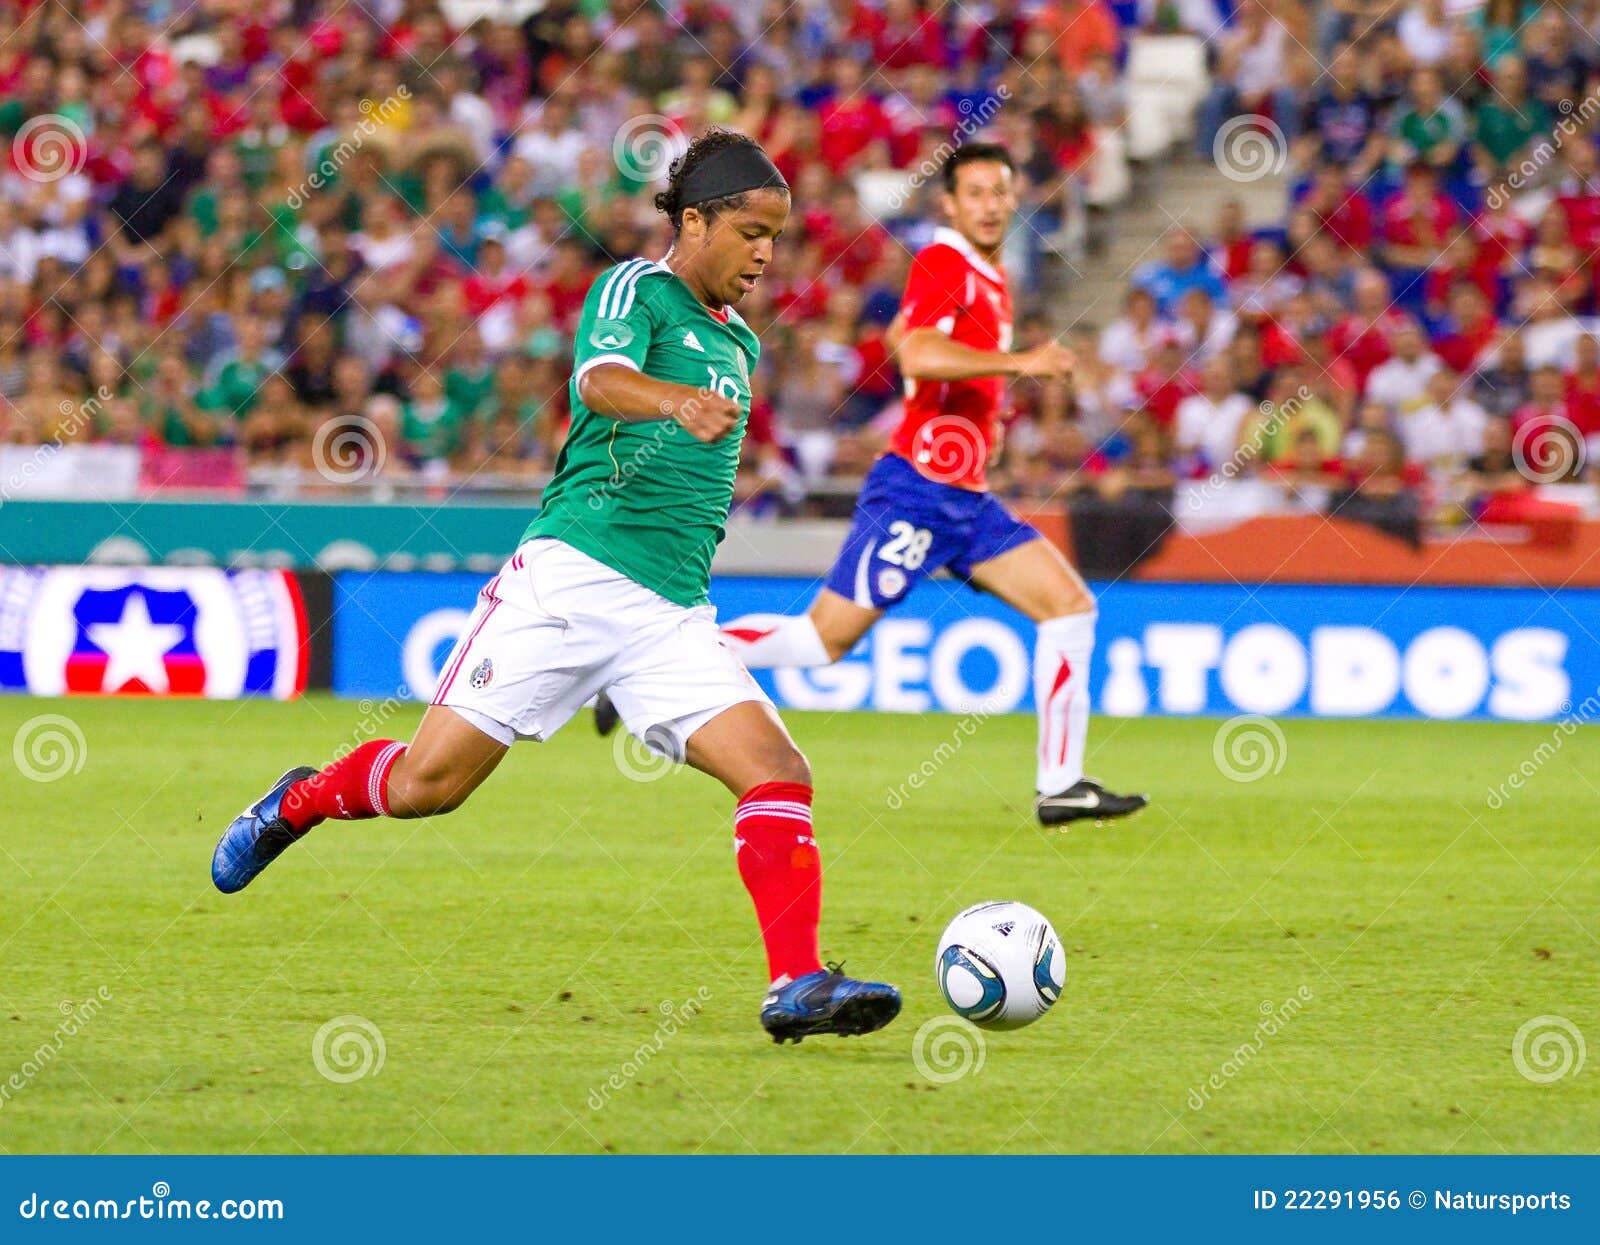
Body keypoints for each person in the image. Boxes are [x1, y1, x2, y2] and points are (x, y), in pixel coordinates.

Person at [210, 130, 901, 1047]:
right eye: (751, 231)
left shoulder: (737, 341)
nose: (767, 254)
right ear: (694, 221)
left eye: (777, 236)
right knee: (429, 785)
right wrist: (675, 401)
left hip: (671, 615)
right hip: (570, 582)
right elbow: (600, 380)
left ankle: (795, 982)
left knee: (779, 772)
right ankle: (298, 800)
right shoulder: (636, 291)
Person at [600, 143, 1146, 828]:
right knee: (821, 640)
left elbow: (908, 337)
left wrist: (986, 415)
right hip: (919, 488)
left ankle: (1061, 783)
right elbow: (914, 348)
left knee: (1070, 608)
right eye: (973, 192)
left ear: (1013, 200)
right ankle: (649, 661)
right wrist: (1021, 363)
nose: (988, 204)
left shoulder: (988, 274)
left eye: (999, 191)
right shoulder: (946, 258)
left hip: (965, 494)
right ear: (949, 202)